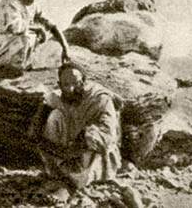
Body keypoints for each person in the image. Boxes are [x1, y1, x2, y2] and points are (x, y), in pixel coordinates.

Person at [30, 61, 123, 198]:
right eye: (66, 84)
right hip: (66, 150)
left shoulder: (100, 99)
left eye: (76, 83)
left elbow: (108, 135)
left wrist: (83, 140)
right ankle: (58, 172)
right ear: (60, 85)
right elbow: (35, 130)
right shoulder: (57, 97)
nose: (71, 89)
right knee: (54, 116)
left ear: (84, 82)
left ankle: (70, 184)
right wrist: (40, 125)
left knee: (87, 160)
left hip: (93, 151)